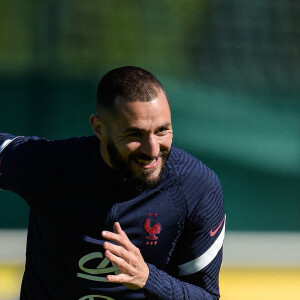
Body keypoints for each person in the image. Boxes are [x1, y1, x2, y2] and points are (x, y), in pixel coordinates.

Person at [0, 66, 225, 300]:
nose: (152, 150)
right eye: (135, 135)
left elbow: (206, 296)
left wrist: (149, 278)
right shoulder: (52, 166)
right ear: (99, 128)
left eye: (162, 131)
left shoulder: (196, 186)